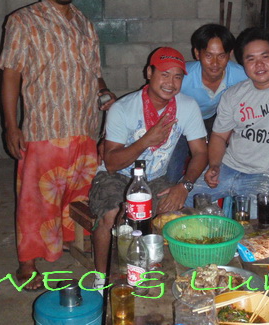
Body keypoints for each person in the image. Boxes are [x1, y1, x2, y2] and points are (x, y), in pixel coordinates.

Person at [0, 0, 116, 291]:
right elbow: (10, 75)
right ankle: (27, 263)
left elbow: (94, 72)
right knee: (36, 199)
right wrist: (11, 125)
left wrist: (104, 93)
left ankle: (68, 243)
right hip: (44, 128)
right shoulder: (23, 21)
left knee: (78, 194)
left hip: (83, 127)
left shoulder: (83, 22)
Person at [89, 47, 208, 278]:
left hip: (155, 178)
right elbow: (111, 162)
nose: (170, 83)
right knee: (113, 214)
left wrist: (184, 186)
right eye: (164, 74)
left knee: (178, 216)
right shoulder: (123, 108)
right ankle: (102, 279)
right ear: (149, 73)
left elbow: (200, 152)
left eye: (177, 77)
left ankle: (162, 272)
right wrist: (145, 141)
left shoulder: (187, 106)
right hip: (116, 177)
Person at [184, 27, 269, 212]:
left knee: (254, 222)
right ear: (242, 64)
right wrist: (214, 165)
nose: (259, 65)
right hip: (228, 167)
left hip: (267, 175)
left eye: (265, 56)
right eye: (250, 59)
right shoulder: (233, 95)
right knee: (182, 200)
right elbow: (219, 136)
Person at [166, 23, 248, 183]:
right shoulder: (183, 76)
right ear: (197, 53)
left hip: (217, 119)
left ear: (230, 54)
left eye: (221, 56)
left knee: (230, 158)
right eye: (209, 56)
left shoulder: (241, 76)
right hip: (182, 121)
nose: (215, 63)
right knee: (172, 167)